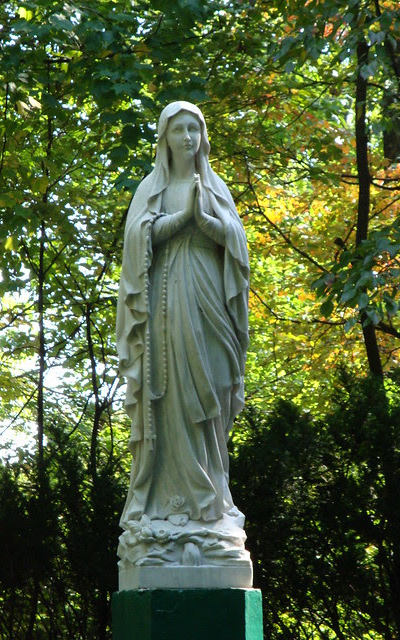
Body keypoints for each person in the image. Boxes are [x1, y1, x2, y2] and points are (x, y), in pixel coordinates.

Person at [116, 101, 249, 560]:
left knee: (213, 387)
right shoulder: (150, 189)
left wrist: (206, 220)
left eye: (195, 128)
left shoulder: (216, 187)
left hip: (209, 296)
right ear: (165, 138)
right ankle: (166, 504)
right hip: (167, 301)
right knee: (169, 392)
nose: (188, 137)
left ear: (203, 137)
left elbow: (235, 244)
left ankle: (213, 502)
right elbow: (137, 241)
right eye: (179, 129)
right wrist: (180, 220)